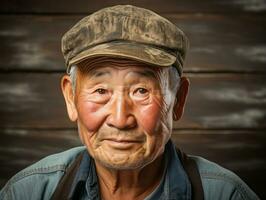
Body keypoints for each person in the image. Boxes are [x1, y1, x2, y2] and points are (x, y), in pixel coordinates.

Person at [0, 5, 259, 200]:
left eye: (141, 91)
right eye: (101, 90)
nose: (120, 119)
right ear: (71, 97)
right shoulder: (29, 192)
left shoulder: (225, 194)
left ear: (178, 99)